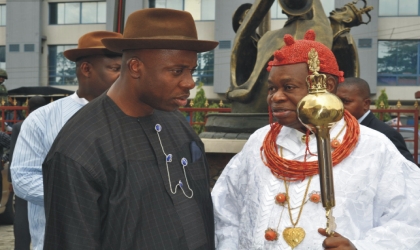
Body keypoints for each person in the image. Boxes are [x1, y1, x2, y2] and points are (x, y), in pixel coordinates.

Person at [212, 30, 420, 249]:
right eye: (272, 88)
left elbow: (409, 219)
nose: (276, 97)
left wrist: (360, 247)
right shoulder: (259, 142)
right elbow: (226, 212)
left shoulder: (372, 147)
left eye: (288, 87)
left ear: (327, 86)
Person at [42, 9, 218, 249]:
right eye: (177, 71)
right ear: (135, 67)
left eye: (191, 70)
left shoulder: (177, 124)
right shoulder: (80, 148)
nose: (190, 82)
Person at [11, 31, 122, 250]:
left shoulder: (135, 118)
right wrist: (87, 195)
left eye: (125, 69)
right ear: (87, 69)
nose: (123, 77)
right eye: (115, 69)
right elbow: (23, 179)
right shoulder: (43, 119)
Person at [336, 77, 415, 163]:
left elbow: (407, 170)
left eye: (345, 101)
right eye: (336, 100)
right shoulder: (336, 130)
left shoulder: (386, 134)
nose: (338, 106)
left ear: (366, 104)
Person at [8, 96, 47, 250]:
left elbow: (14, 155)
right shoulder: (53, 124)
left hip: (25, 176)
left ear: (28, 108)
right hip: (46, 176)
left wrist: (12, 180)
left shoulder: (20, 126)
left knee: (22, 214)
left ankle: (21, 247)